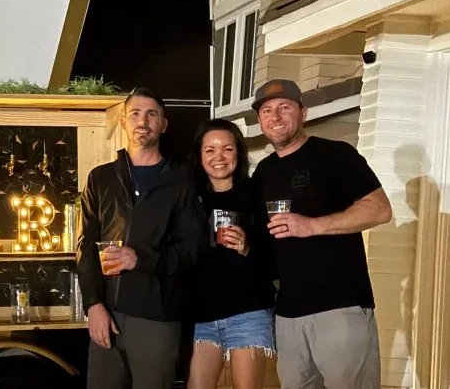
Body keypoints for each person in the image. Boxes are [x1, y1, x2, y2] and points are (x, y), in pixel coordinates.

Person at [252, 79, 392, 389]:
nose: (275, 117)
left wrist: (311, 225)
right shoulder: (263, 172)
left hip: (339, 306)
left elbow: (380, 209)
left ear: (303, 112)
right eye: (267, 110)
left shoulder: (335, 155)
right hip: (288, 313)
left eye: (284, 108)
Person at [76, 87, 207, 389]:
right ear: (123, 122)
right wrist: (93, 305)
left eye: (152, 114)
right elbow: (85, 246)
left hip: (157, 318)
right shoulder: (101, 178)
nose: (143, 121)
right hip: (106, 315)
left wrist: (141, 259)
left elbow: (194, 250)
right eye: (135, 114)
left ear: (164, 124)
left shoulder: (183, 179)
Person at [186, 119, 276, 389]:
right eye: (210, 150)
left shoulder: (257, 193)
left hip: (249, 312)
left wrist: (248, 247)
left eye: (227, 149)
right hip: (201, 316)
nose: (219, 158)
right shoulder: (189, 198)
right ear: (199, 156)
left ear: (239, 153)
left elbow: (277, 258)